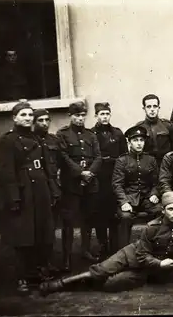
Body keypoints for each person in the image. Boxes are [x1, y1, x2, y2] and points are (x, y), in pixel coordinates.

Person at [39, 191, 173, 295]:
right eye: (171, 209)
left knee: (110, 285)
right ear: (163, 210)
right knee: (100, 271)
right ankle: (59, 285)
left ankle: (87, 284)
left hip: (146, 270)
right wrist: (160, 263)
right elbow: (142, 254)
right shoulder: (152, 227)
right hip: (131, 256)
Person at [0, 100, 59, 293]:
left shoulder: (38, 138)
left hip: (41, 191)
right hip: (23, 192)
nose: (28, 118)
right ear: (14, 118)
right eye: (23, 115)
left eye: (30, 115)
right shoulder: (8, 141)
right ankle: (22, 277)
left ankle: (37, 272)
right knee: (23, 235)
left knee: (42, 232)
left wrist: (53, 190)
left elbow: (48, 167)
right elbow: (5, 173)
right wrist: (14, 197)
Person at [57, 101, 102, 271]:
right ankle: (66, 257)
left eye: (83, 115)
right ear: (70, 116)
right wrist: (79, 172)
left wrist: (90, 173)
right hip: (72, 185)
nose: (80, 119)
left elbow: (98, 156)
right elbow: (63, 156)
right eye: (77, 115)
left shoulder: (91, 135)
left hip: (90, 184)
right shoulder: (63, 134)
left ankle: (85, 250)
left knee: (88, 218)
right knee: (68, 222)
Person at [112, 126, 161, 250]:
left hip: (146, 198)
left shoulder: (150, 160)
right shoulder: (122, 160)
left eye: (141, 140)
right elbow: (117, 184)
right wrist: (123, 202)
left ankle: (157, 248)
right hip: (129, 198)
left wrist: (155, 194)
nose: (139, 143)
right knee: (125, 217)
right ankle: (124, 252)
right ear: (129, 142)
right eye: (135, 140)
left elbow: (156, 182)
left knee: (161, 211)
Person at [91, 102, 128, 258]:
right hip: (99, 178)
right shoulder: (91, 134)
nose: (104, 117)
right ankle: (102, 244)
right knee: (100, 213)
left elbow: (124, 155)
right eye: (101, 114)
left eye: (107, 113)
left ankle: (114, 245)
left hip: (115, 176)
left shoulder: (118, 133)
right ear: (96, 116)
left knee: (114, 212)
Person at [33, 108, 62, 276]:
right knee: (39, 228)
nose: (44, 123)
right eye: (40, 120)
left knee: (51, 228)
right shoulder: (32, 140)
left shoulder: (54, 140)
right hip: (38, 188)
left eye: (46, 120)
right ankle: (38, 264)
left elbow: (59, 163)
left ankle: (47, 261)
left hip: (54, 187)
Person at [135, 94, 173, 166]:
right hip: (146, 165)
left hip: (166, 165)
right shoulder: (139, 127)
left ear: (158, 108)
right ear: (144, 109)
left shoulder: (168, 126)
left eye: (155, 106)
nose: (152, 109)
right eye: (149, 107)